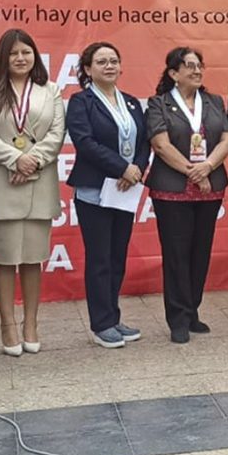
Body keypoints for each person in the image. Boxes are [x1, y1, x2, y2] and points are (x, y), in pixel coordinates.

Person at [0, 29, 65, 354]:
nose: (21, 58)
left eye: (26, 52)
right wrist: (16, 160)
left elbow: (56, 133)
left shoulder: (50, 90)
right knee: (4, 259)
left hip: (39, 184)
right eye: (13, 54)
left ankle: (31, 323)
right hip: (1, 183)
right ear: (3, 58)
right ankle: (7, 324)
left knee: (33, 259)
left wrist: (33, 162)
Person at [146, 47, 228, 344]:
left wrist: (207, 166)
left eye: (199, 66)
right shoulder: (158, 103)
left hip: (210, 187)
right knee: (176, 255)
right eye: (189, 66)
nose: (197, 71)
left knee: (200, 253)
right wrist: (193, 171)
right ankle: (178, 318)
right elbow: (160, 144)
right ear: (173, 73)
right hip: (172, 189)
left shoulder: (213, 101)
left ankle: (192, 310)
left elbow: (226, 138)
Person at [66, 42, 149, 348]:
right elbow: (85, 143)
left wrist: (136, 169)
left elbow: (145, 142)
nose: (109, 66)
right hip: (95, 191)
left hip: (126, 190)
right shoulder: (80, 102)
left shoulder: (130, 102)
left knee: (117, 256)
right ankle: (101, 324)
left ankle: (113, 317)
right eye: (102, 62)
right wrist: (121, 169)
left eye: (114, 60)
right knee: (100, 258)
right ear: (88, 69)